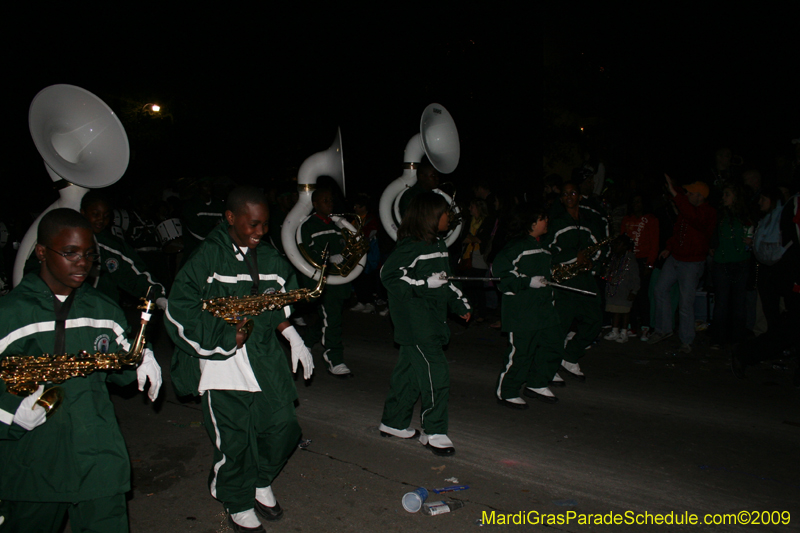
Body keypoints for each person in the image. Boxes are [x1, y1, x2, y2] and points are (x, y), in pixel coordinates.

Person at [0, 208, 161, 533]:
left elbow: (122, 372)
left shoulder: (103, 309)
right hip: (32, 461)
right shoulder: (11, 312)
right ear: (41, 252)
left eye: (89, 254)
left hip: (97, 454)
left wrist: (141, 357)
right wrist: (9, 409)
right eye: (70, 253)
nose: (82, 263)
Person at [164, 186, 313, 533]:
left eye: (265, 224)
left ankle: (259, 480)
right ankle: (237, 499)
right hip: (220, 362)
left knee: (284, 427)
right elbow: (178, 309)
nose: (261, 232)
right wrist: (223, 337)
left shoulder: (268, 256)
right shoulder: (207, 256)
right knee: (235, 441)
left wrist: (292, 335)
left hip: (262, 355)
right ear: (231, 218)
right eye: (253, 224)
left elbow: (276, 301)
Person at [378, 192, 471, 456]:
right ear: (430, 216)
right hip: (415, 321)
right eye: (445, 213)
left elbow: (445, 279)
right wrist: (423, 284)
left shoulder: (438, 244)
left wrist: (460, 303)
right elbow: (388, 275)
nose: (449, 217)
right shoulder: (412, 246)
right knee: (436, 372)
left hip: (432, 318)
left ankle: (393, 422)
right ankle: (434, 431)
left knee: (409, 374)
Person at [494, 203, 564, 407]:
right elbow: (500, 274)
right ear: (530, 223)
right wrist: (526, 282)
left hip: (544, 309)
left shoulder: (543, 246)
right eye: (542, 218)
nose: (547, 221)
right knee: (522, 352)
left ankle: (537, 383)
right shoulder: (516, 247)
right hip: (522, 311)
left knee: (553, 344)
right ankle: (507, 391)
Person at [541, 182, 605, 382]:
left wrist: (592, 264)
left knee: (595, 321)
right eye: (565, 194)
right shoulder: (557, 222)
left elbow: (599, 248)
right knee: (560, 325)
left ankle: (569, 356)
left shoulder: (589, 222)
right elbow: (546, 251)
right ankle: (548, 367)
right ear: (561, 199)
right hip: (564, 281)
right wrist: (572, 256)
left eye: (573, 193)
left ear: (579, 196)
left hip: (585, 279)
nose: (569, 196)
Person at [649, 176, 717, 353]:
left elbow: (694, 218)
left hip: (692, 263)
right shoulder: (688, 209)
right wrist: (669, 248)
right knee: (660, 290)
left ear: (700, 196)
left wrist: (675, 194)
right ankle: (663, 329)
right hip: (676, 258)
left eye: (691, 193)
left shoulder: (707, 212)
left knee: (686, 303)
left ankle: (686, 340)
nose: (687, 195)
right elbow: (678, 230)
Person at [79, 191, 168, 309]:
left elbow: (135, 274)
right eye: (95, 214)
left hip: (105, 311)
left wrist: (158, 296)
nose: (101, 220)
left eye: (106, 216)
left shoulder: (112, 244)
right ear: (83, 213)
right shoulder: (69, 240)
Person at [299, 187, 353, 378]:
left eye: (331, 200)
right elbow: (305, 253)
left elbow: (348, 247)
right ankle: (334, 358)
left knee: (328, 318)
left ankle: (306, 341)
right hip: (324, 280)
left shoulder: (337, 224)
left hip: (340, 280)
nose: (330, 204)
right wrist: (327, 259)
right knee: (333, 318)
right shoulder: (308, 226)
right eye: (325, 200)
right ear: (315, 204)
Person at [709, 183, 753, 348]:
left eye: (727, 194)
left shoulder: (746, 215)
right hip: (722, 263)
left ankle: (738, 339)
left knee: (739, 303)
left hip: (742, 262)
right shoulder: (719, 214)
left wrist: (752, 242)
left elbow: (753, 234)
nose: (724, 197)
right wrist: (712, 245)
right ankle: (718, 338)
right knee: (721, 302)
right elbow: (711, 232)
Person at [620, 194, 659, 340]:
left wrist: (650, 263)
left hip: (643, 260)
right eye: (634, 201)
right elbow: (622, 239)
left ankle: (645, 327)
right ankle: (632, 326)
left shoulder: (651, 219)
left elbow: (654, 243)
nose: (637, 204)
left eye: (639, 201)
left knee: (642, 294)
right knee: (629, 293)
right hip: (629, 259)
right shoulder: (627, 219)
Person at [603, 235, 640, 343]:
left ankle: (624, 332)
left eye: (618, 244)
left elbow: (635, 277)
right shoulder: (613, 258)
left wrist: (634, 291)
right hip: (614, 290)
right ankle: (615, 330)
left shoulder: (630, 259)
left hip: (625, 290)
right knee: (615, 310)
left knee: (624, 311)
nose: (615, 246)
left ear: (625, 246)